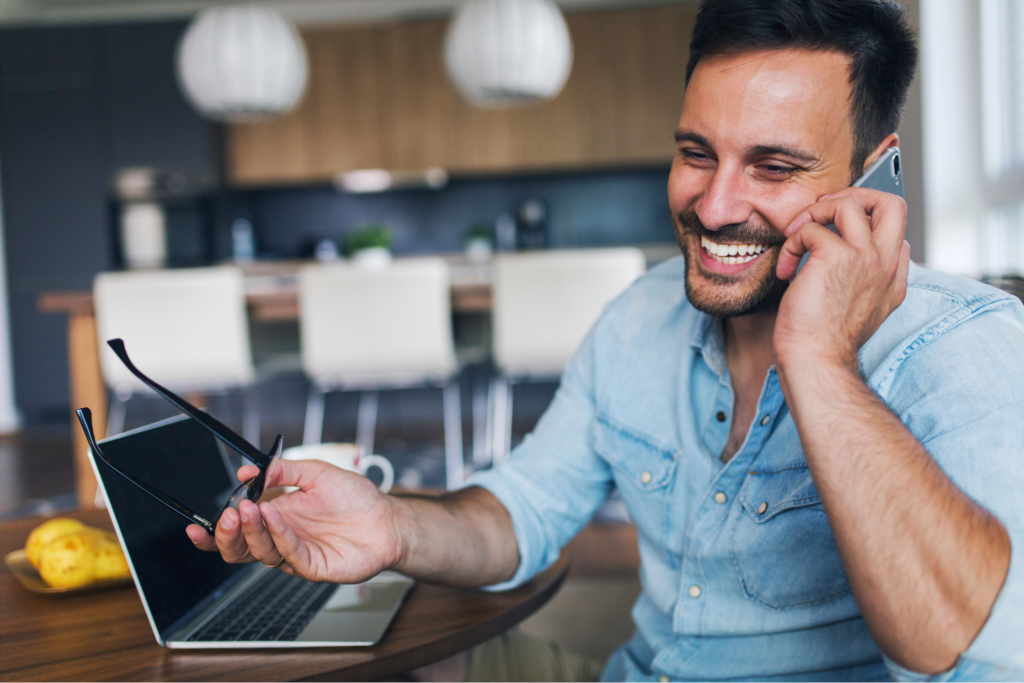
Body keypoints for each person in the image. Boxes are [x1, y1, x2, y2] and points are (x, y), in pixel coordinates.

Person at [187, 0, 1024, 680]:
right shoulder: (640, 316)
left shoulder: (963, 345)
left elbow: (957, 638)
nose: (717, 205)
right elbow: (521, 512)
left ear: (874, 174)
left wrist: (817, 357)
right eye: (698, 153)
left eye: (773, 167)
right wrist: (390, 526)